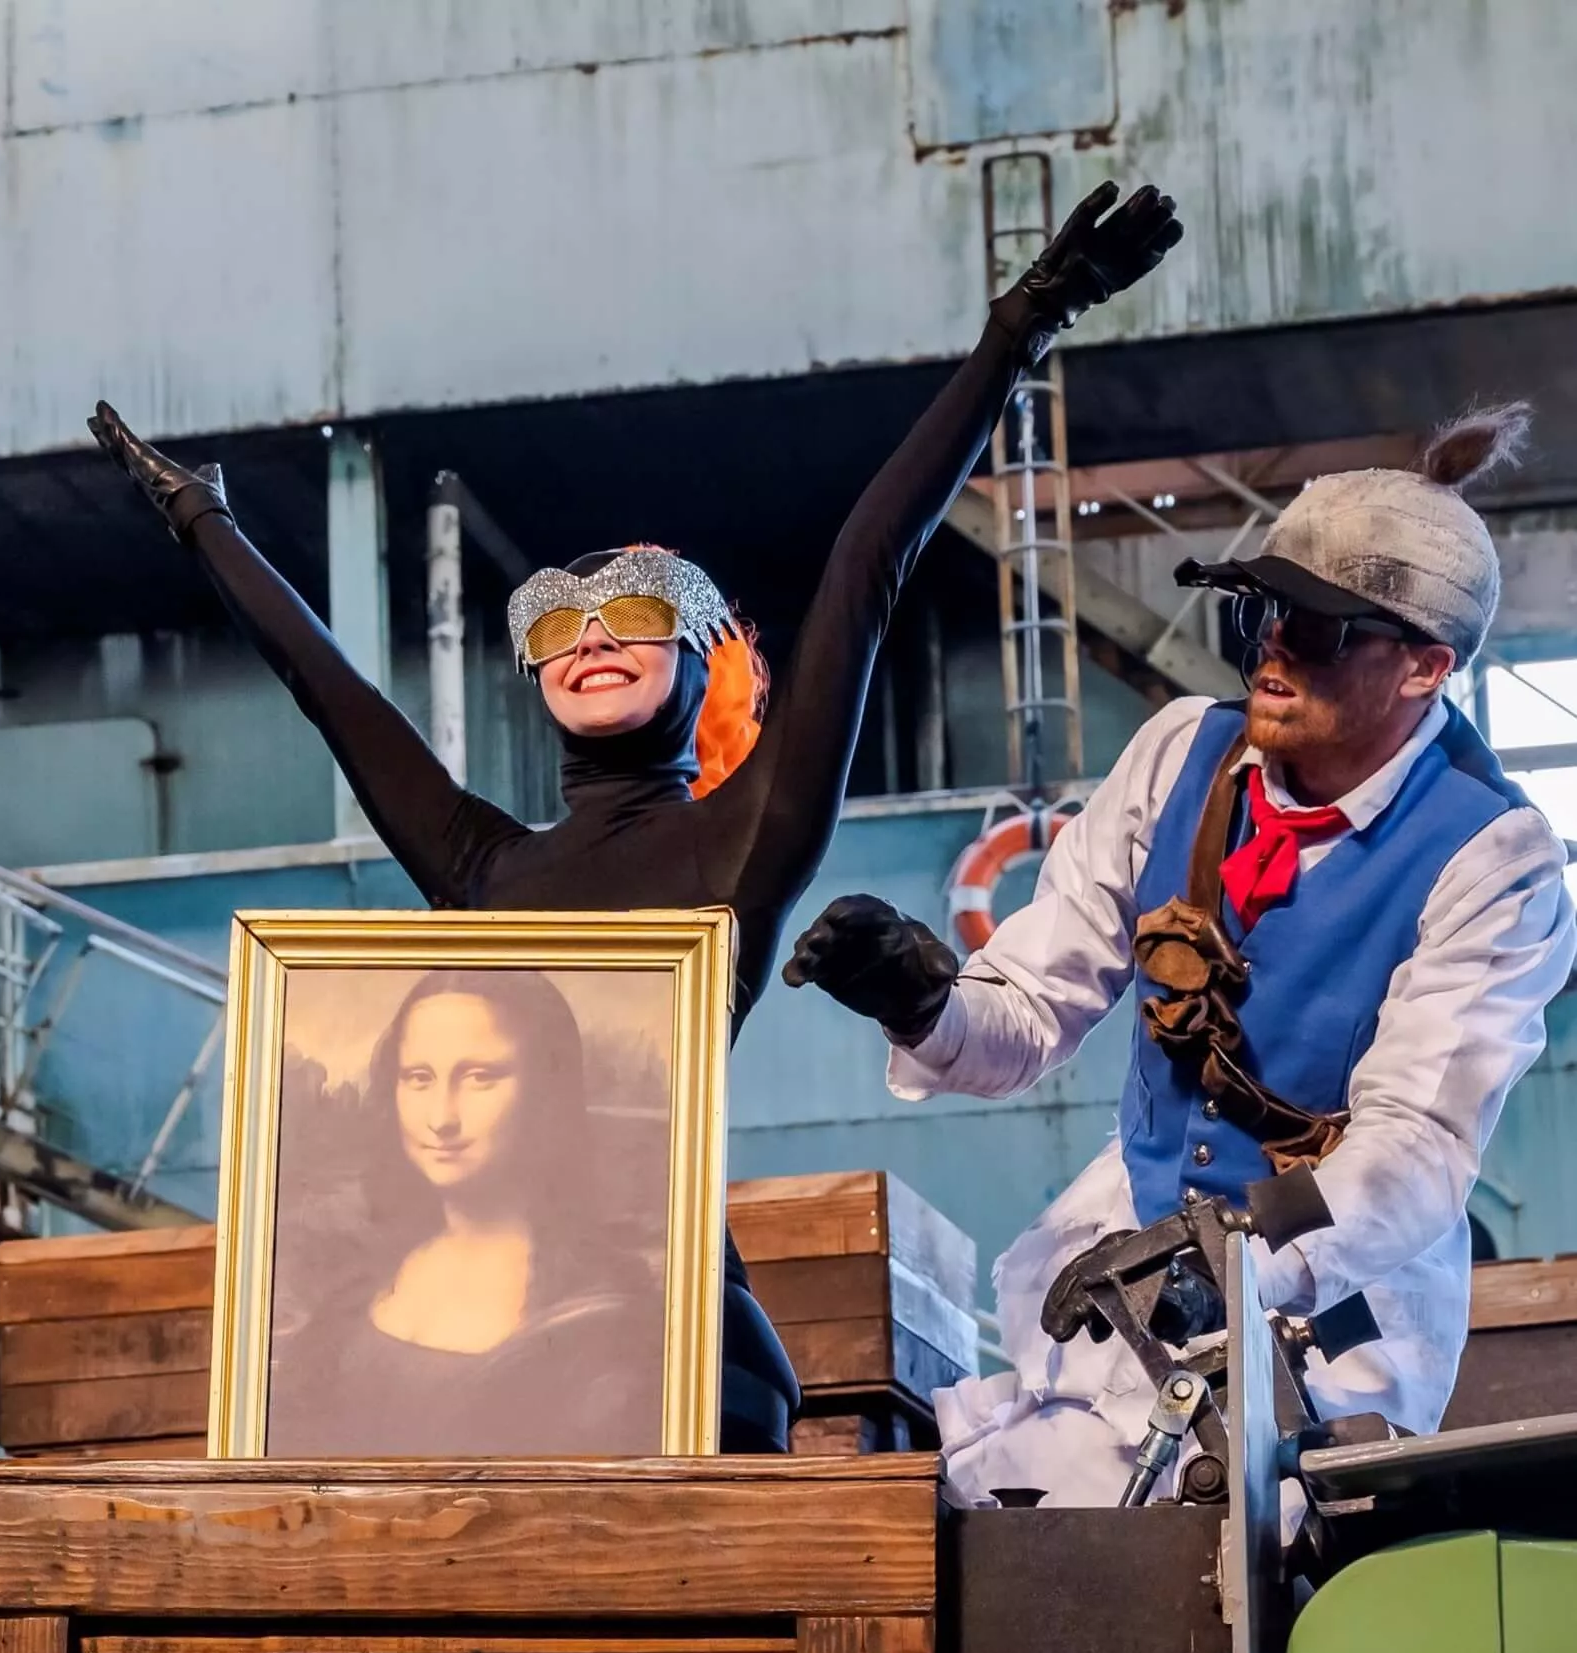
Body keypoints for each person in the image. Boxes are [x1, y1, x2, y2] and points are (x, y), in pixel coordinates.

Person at [89, 180, 1183, 1451]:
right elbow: (331, 695)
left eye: (637, 614)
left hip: (662, 1328)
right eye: (555, 622)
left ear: (705, 651)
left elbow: (865, 570)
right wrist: (204, 524)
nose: (592, 636)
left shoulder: (744, 841)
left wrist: (1019, 329)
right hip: (480, 1328)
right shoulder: (479, 865)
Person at [785, 410, 1575, 1504]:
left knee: (1261, 1548)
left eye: (1321, 629)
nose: (1270, 649)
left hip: (1335, 1308)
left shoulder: (1496, 857)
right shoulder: (1178, 756)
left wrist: (1234, 1257)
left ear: (1422, 669)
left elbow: (1412, 1150)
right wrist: (920, 1005)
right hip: (1124, 1255)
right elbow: (1025, 1009)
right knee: (1004, 1513)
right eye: (1263, 611)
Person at [272, 970, 662, 1455]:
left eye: (479, 1078)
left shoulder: (601, 1322)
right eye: (419, 1078)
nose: (441, 1117)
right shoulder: (364, 1280)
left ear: (546, 1089)